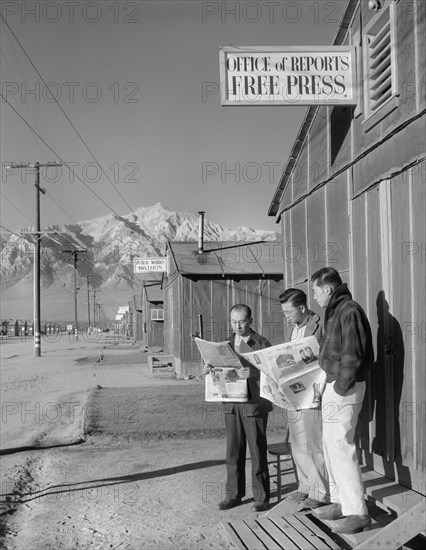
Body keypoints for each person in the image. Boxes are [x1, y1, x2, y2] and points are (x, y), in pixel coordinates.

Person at [311, 267, 374, 534]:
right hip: (335, 386)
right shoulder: (336, 310)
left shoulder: (349, 310)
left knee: (341, 445)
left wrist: (340, 386)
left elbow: (353, 354)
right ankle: (339, 502)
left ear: (327, 288)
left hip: (344, 388)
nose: (313, 297)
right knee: (331, 445)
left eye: (315, 291)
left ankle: (358, 513)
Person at [218, 304, 272, 512]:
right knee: (233, 452)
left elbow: (272, 372)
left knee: (257, 451)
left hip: (254, 405)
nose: (237, 326)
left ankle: (261, 497)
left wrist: (253, 373)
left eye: (241, 321)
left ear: (250, 321)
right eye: (233, 321)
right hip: (231, 404)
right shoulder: (225, 344)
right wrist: (208, 369)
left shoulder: (262, 343)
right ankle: (233, 495)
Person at [279, 288, 329, 510]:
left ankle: (320, 492)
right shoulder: (292, 329)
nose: (286, 316)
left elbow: (326, 357)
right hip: (293, 393)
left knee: (314, 443)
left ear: (302, 307)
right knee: (297, 442)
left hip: (312, 392)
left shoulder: (320, 325)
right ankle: (304, 486)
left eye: (289, 312)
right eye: (284, 312)